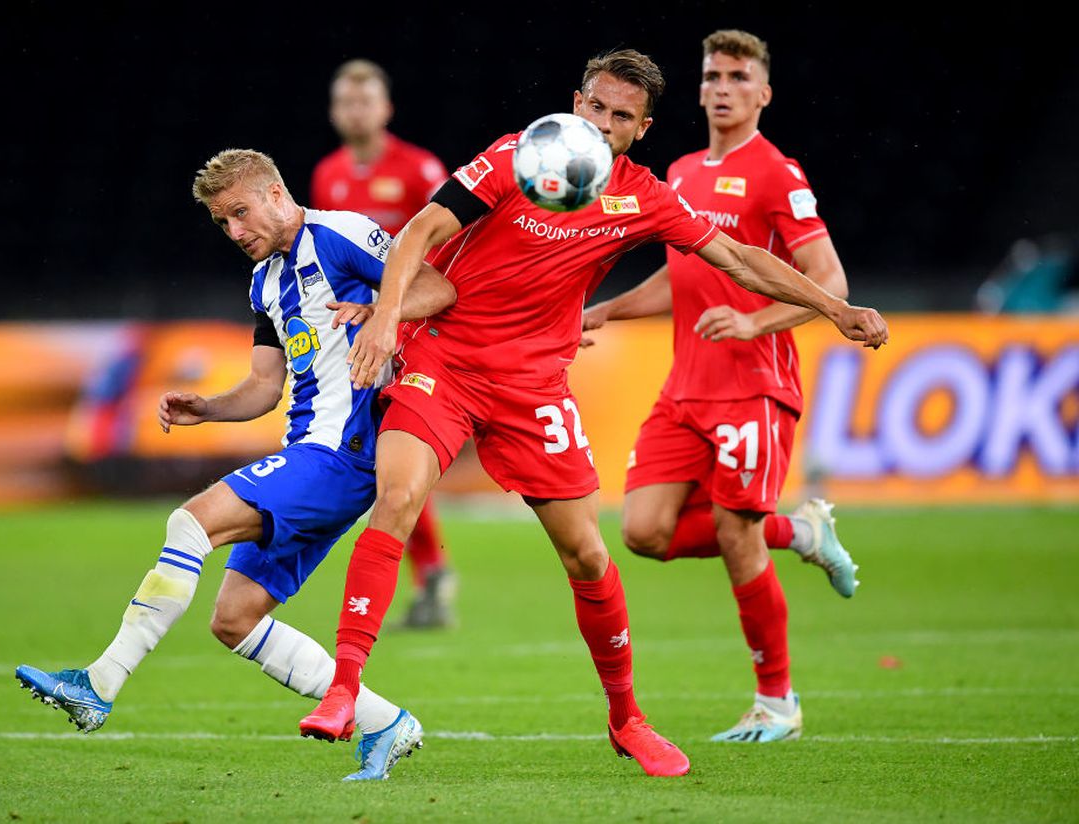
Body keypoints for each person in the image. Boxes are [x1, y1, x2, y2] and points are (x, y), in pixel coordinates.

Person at [296, 49, 887, 779]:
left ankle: (626, 718)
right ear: (575, 103)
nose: (603, 126)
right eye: (596, 108)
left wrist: (834, 308)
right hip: (443, 360)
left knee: (590, 554)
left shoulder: (641, 196)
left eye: (621, 118)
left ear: (641, 130)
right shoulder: (519, 155)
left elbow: (736, 258)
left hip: (533, 387)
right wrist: (387, 318)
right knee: (398, 496)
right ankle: (344, 689)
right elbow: (421, 230)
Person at [15, 148, 457, 781]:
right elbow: (264, 386)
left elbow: (440, 288)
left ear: (277, 195)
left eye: (241, 214)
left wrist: (381, 310)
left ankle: (99, 682)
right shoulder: (263, 284)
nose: (235, 233)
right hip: (307, 451)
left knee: (190, 523)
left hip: (345, 452)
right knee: (235, 619)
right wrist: (209, 407)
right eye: (223, 223)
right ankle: (387, 722)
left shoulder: (343, 234)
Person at [582, 30, 858, 744]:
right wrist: (612, 307)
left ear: (763, 93)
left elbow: (829, 283)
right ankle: (800, 530)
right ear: (700, 90)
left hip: (754, 386)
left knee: (736, 531)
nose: (724, 86)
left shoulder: (776, 173)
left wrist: (755, 319)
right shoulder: (677, 171)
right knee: (643, 531)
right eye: (713, 75)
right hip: (686, 386)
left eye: (739, 75)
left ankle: (777, 702)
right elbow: (683, 279)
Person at [310, 59, 457, 629]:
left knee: (393, 455)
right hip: (359, 331)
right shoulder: (328, 174)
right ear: (334, 112)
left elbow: (449, 242)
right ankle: (431, 574)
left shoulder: (419, 168)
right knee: (382, 458)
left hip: (414, 328)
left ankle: (430, 574)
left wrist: (404, 315)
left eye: (365, 101)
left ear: (385, 109)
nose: (355, 111)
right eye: (346, 103)